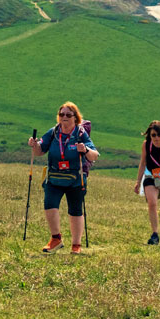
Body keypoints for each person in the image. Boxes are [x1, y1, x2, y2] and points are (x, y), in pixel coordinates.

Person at [28, 102, 99, 254]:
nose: (64, 117)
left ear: (75, 118)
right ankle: (56, 239)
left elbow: (94, 155)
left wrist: (85, 149)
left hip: (75, 179)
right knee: (49, 204)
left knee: (75, 210)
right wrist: (35, 145)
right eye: (61, 114)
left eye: (68, 115)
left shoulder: (80, 133)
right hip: (54, 177)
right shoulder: (53, 132)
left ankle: (76, 245)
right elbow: (40, 151)